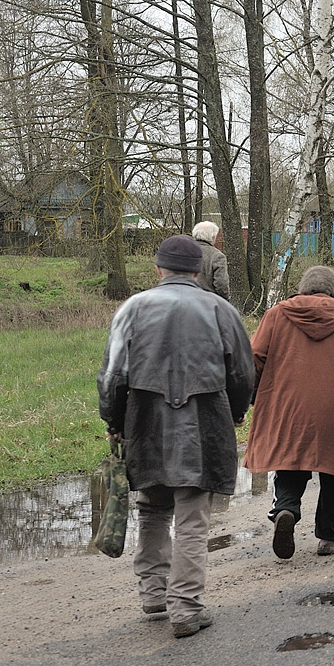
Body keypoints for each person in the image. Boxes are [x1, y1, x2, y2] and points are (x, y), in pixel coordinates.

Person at [97, 234, 253, 638]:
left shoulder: (132, 308)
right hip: (204, 419)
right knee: (192, 518)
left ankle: (153, 593)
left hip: (146, 420)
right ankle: (185, 608)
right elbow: (242, 373)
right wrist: (236, 413)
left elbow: (113, 374)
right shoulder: (221, 309)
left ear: (158, 269)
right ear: (199, 270)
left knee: (152, 505)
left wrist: (114, 421)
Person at [244, 265, 334, 559]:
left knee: (290, 460)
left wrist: (249, 395)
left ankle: (286, 507)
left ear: (303, 288)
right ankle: (328, 536)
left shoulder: (276, 315)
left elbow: (254, 359)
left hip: (287, 408)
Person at [191, 220, 230, 300]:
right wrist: (225, 300)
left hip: (183, 300)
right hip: (208, 302)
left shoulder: (183, 251)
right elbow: (221, 284)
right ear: (212, 237)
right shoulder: (217, 256)